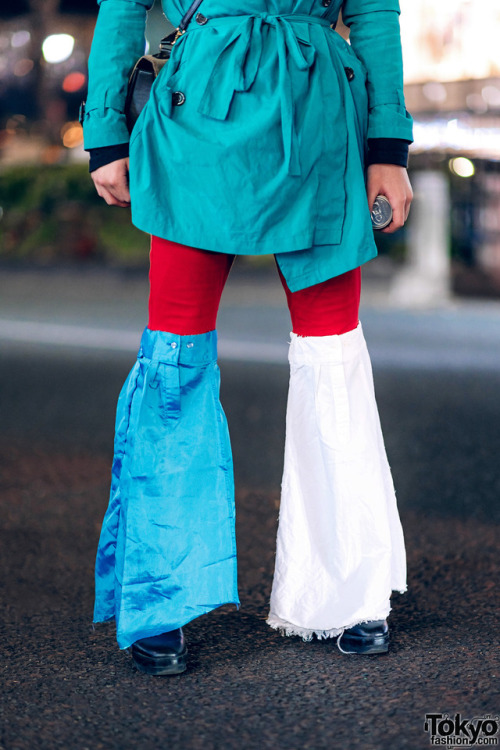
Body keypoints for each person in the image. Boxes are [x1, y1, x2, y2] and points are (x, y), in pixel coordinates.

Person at [82, 0, 414, 675]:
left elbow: (376, 10)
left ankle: (352, 590)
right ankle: (161, 598)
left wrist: (389, 148)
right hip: (198, 112)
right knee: (175, 353)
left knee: (332, 351)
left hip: (319, 112)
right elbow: (121, 7)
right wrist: (106, 132)